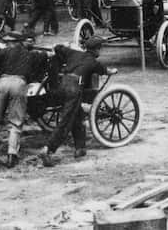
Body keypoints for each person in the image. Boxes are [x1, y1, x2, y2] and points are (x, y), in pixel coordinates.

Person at [42, 37, 114, 167]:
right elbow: (106, 71)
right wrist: (113, 71)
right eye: (99, 49)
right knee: (66, 121)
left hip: (61, 84)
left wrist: (61, 45)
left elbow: (58, 48)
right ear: (96, 50)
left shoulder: (74, 53)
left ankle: (80, 148)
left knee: (78, 115)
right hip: (74, 88)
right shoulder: (93, 62)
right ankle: (48, 149)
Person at [0, 33, 38, 167]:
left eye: (8, 42)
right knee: (16, 121)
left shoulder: (4, 52)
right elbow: (36, 70)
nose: (6, 44)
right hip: (18, 83)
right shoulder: (30, 54)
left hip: (2, 83)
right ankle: (11, 154)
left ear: (12, 42)